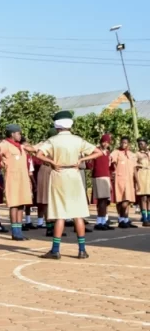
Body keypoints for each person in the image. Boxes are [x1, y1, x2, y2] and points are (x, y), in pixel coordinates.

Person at [36, 110, 101, 259]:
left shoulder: (52, 140)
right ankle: (82, 250)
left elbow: (39, 154)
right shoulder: (78, 140)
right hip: (74, 174)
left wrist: (52, 162)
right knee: (77, 214)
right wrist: (81, 160)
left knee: (60, 214)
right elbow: (98, 152)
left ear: (57, 125)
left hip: (59, 174)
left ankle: (55, 250)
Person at [0, 124, 32, 241]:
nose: (20, 135)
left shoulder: (21, 146)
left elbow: (33, 149)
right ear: (12, 134)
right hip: (13, 178)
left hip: (23, 178)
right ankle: (15, 232)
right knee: (14, 204)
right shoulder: (6, 144)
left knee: (21, 205)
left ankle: (19, 231)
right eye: (18, 133)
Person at [110, 136, 137, 229]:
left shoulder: (132, 154)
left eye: (125, 143)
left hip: (129, 181)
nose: (123, 144)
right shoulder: (116, 152)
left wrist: (137, 182)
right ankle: (121, 219)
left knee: (127, 201)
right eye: (122, 142)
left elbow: (134, 169)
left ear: (128, 144)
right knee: (120, 200)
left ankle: (125, 219)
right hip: (119, 179)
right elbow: (111, 164)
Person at [88, 134, 113, 230]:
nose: (105, 144)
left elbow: (110, 167)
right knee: (101, 200)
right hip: (98, 177)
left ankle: (103, 221)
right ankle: (99, 222)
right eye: (104, 141)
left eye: (107, 142)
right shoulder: (96, 151)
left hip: (106, 177)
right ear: (101, 141)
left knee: (105, 200)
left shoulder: (108, 153)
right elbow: (90, 164)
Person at [135, 137, 150, 226]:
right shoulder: (137, 154)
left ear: (146, 144)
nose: (140, 145)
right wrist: (137, 180)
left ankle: (149, 217)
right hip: (142, 175)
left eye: (142, 143)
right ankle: (144, 218)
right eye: (139, 144)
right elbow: (134, 167)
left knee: (149, 198)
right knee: (143, 197)